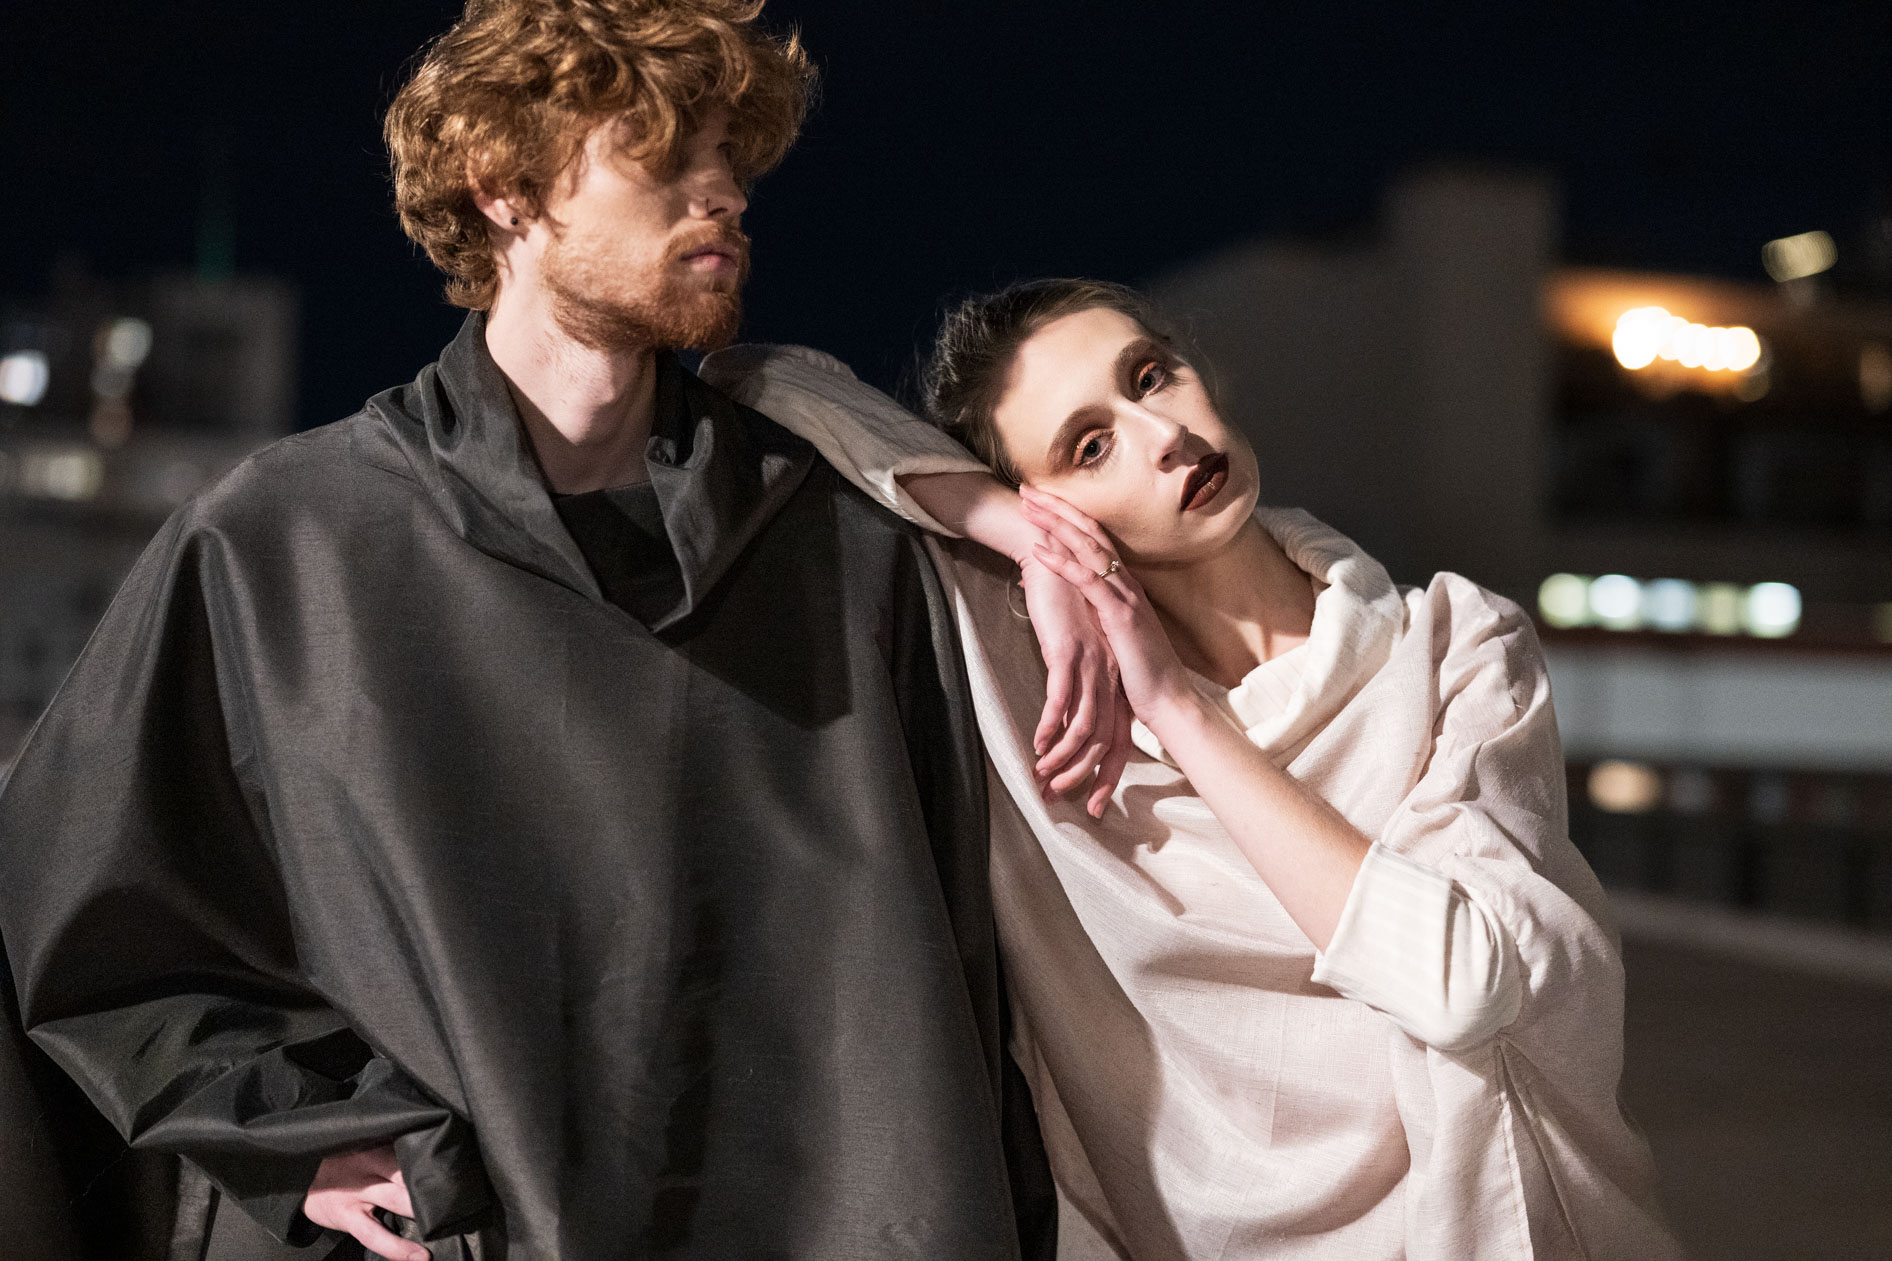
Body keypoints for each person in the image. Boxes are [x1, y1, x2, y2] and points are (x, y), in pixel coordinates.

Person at [0, 4, 1083, 1258]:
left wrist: (1036, 550)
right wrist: (290, 1132)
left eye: (728, 156)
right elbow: (82, 905)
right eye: (664, 152)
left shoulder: (843, 547)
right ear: (503, 186)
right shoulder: (285, 545)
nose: (724, 192)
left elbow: (977, 964)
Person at [701, 279, 1683, 1259]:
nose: (1163, 435)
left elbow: (1461, 983)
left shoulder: (1453, 646)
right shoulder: (1038, 694)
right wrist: (1023, 540)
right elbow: (761, 378)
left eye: (1149, 377)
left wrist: (1176, 707)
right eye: (1090, 447)